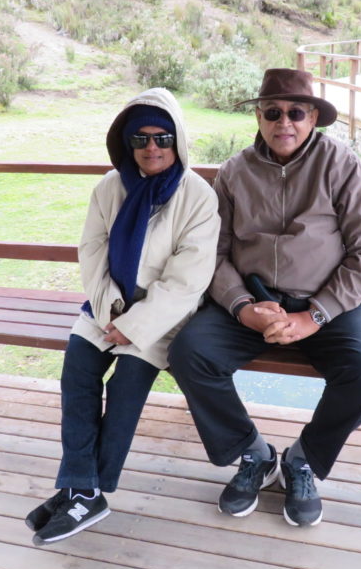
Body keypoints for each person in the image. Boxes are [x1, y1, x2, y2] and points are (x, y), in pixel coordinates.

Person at [168, 68, 361, 527]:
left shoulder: (341, 164)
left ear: (313, 118)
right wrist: (242, 307)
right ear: (259, 115)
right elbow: (214, 252)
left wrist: (316, 314)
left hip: (329, 303)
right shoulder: (234, 172)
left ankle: (303, 459)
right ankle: (253, 454)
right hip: (253, 303)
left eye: (296, 112)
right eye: (273, 112)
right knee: (189, 353)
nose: (283, 122)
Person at [26, 87, 219, 544]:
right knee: (77, 372)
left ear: (178, 140)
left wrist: (133, 325)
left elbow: (187, 281)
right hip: (107, 303)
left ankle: (87, 490)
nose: (152, 147)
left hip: (163, 317)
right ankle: (81, 485)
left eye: (162, 137)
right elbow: (92, 252)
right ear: (126, 143)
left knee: (126, 386)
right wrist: (112, 310)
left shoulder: (198, 197)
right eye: (140, 139)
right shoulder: (109, 188)